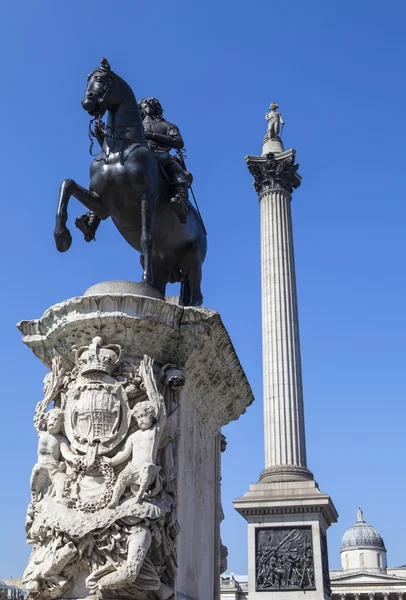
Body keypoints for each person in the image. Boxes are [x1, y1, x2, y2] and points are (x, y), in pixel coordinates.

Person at [76, 97, 191, 243]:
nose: (146, 108)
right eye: (143, 106)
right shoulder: (133, 126)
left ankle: (181, 202)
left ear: (156, 108)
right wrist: (102, 135)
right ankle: (92, 221)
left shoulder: (168, 125)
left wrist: (151, 136)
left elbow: (178, 142)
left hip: (159, 154)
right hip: (135, 158)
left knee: (172, 165)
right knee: (107, 172)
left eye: (149, 105)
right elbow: (114, 148)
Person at [107, 398, 166, 508]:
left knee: (146, 468)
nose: (140, 420)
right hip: (133, 467)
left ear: (152, 416)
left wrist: (160, 400)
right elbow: (124, 453)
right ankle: (115, 500)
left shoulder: (155, 431)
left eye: (143, 416)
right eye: (138, 418)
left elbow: (163, 418)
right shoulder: (133, 436)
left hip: (149, 468)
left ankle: (139, 496)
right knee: (122, 476)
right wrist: (111, 461)